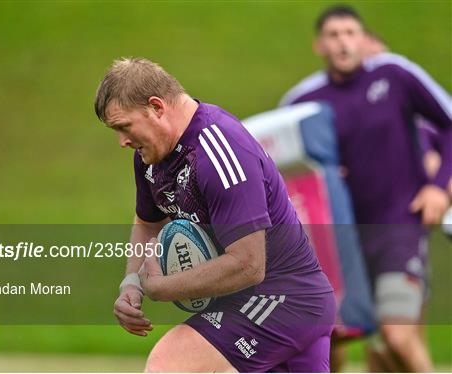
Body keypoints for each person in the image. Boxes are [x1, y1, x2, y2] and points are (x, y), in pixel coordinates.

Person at [94, 57, 335, 372]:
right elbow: (148, 222)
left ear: (156, 107)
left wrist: (160, 287)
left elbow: (248, 265)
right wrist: (132, 284)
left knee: (170, 363)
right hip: (259, 301)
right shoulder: (150, 156)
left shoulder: (217, 151)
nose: (122, 141)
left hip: (283, 299)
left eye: (124, 127)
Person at [280, 5, 451, 372]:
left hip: (397, 225)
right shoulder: (301, 103)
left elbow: (449, 125)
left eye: (350, 33)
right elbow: (279, 168)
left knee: (398, 336)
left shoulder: (395, 75)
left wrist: (439, 187)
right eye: (334, 35)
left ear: (363, 39)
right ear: (319, 45)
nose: (343, 42)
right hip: (336, 243)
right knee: (330, 338)